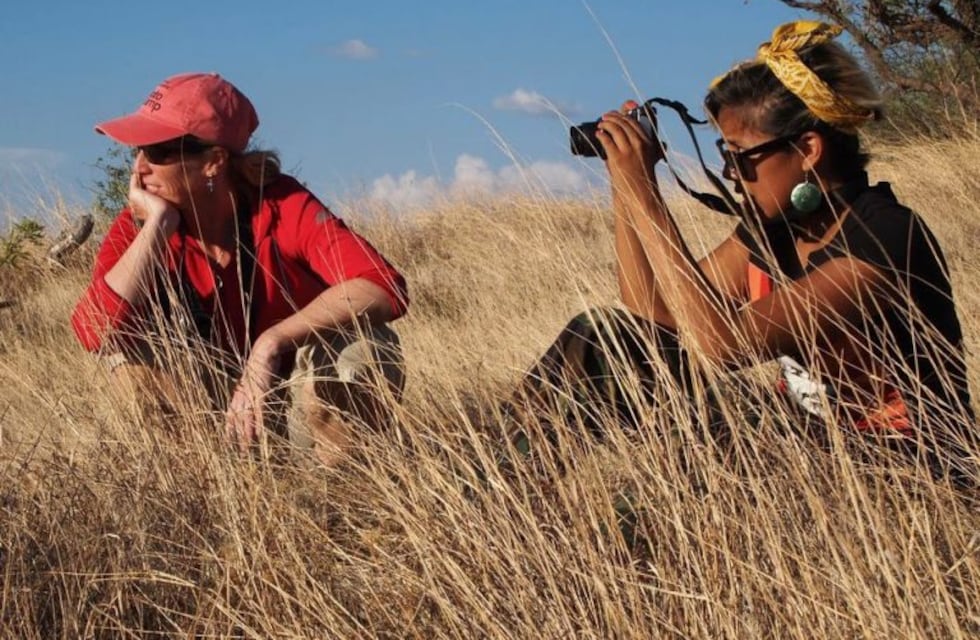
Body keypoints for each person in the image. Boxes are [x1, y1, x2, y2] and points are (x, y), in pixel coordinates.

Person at [508, 22, 975, 483]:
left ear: (808, 149)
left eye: (739, 154)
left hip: (911, 467)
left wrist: (648, 195)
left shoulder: (887, 235)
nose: (730, 173)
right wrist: (625, 183)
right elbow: (650, 314)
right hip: (812, 454)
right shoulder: (772, 231)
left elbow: (719, 346)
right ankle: (504, 494)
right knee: (601, 334)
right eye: (723, 153)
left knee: (750, 418)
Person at [72, 72, 408, 466]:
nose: (139, 168)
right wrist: (159, 226)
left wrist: (270, 344)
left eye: (159, 151)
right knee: (128, 358)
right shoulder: (140, 226)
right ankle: (202, 498)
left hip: (299, 406)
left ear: (214, 162)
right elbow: (94, 332)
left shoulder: (280, 204)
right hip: (210, 420)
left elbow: (382, 285)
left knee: (365, 347)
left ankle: (333, 500)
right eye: (138, 150)